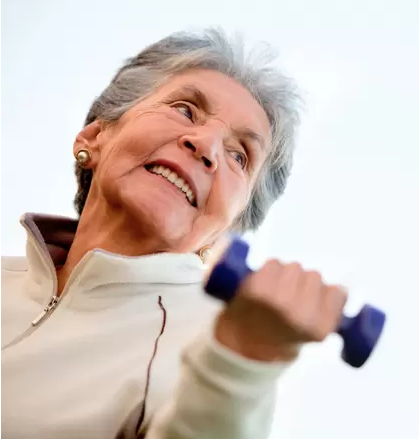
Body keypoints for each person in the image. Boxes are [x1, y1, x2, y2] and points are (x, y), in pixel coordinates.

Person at [1, 28, 347, 439]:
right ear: (94, 137)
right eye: (185, 110)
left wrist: (241, 362)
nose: (206, 146)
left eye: (239, 155)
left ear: (229, 228)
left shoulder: (209, 346)